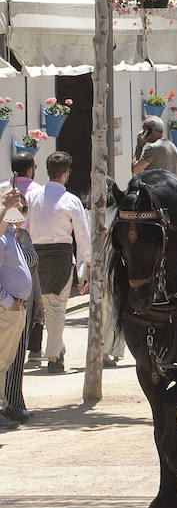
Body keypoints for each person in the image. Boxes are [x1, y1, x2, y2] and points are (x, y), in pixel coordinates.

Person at [27, 152, 90, 376]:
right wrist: (89, 263)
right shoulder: (71, 200)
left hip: (36, 259)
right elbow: (82, 234)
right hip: (62, 258)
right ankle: (54, 357)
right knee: (56, 309)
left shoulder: (33, 198)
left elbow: (23, 229)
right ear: (66, 173)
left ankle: (58, 350)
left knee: (48, 307)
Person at [0, 194, 33, 428]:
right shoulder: (3, 237)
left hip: (16, 307)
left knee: (5, 361)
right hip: (8, 308)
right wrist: (6, 300)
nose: (21, 212)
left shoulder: (13, 236)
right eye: (18, 207)